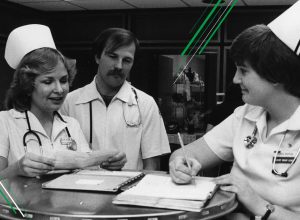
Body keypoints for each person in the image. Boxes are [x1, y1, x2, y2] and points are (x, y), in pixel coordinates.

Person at [169, 1, 300, 219]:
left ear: (275, 74)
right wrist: (180, 163)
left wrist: (258, 204)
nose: (235, 79)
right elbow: (187, 153)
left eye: (243, 71)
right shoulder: (245, 115)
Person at [0, 24, 119, 179]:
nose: (59, 89)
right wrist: (17, 169)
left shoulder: (71, 125)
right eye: (48, 82)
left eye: (63, 80)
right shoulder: (5, 122)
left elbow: (87, 173)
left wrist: (108, 162)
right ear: (28, 85)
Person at [61, 28, 170, 170]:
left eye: (127, 60)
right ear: (97, 57)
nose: (119, 66)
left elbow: (152, 164)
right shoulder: (69, 102)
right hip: (82, 190)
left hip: (130, 190)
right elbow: (61, 155)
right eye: (112, 56)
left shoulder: (145, 104)